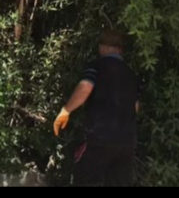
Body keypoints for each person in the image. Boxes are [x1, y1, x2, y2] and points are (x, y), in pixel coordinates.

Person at [53, 27, 140, 186]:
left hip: (99, 137)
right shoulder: (131, 74)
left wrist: (65, 110)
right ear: (120, 50)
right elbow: (135, 107)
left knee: (85, 181)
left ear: (102, 47)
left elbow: (85, 87)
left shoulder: (97, 66)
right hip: (126, 142)